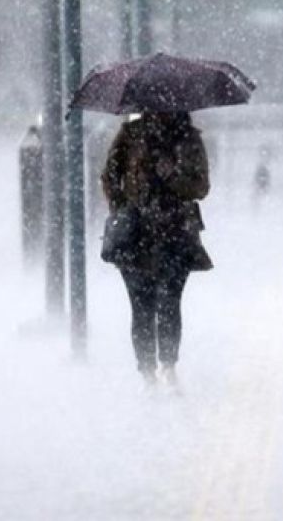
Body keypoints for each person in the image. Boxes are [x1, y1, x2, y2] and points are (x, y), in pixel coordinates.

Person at [101, 111, 212, 387]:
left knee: (170, 302)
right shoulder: (130, 135)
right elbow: (109, 176)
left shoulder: (189, 139)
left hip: (176, 233)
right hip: (135, 235)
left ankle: (168, 365)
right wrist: (123, 207)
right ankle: (148, 370)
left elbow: (201, 187)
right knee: (141, 305)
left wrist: (172, 175)